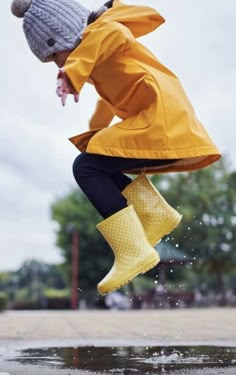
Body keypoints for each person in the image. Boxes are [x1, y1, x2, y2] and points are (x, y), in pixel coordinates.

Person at [11, 0, 221, 296]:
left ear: (64, 36)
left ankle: (134, 250)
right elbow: (107, 102)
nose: (58, 64)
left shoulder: (106, 30)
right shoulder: (100, 58)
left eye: (54, 55)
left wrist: (72, 72)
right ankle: (153, 213)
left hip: (161, 121)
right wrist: (95, 133)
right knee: (94, 162)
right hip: (161, 121)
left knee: (85, 167)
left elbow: (110, 35)